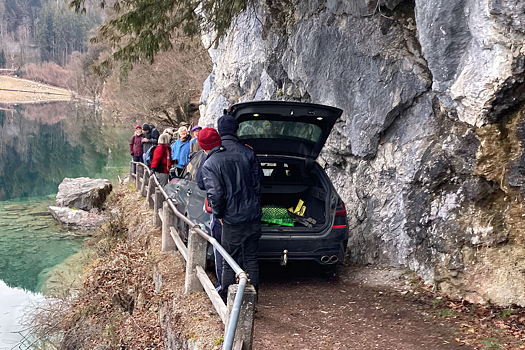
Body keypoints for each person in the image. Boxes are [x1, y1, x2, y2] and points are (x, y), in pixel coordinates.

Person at [197, 127, 262, 302]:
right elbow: (256, 185)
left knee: (228, 261)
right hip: (253, 215)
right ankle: (252, 300)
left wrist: (218, 215)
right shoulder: (243, 155)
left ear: (203, 147)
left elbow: (216, 194)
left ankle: (227, 301)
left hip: (233, 219)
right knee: (251, 258)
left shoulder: (210, 164)